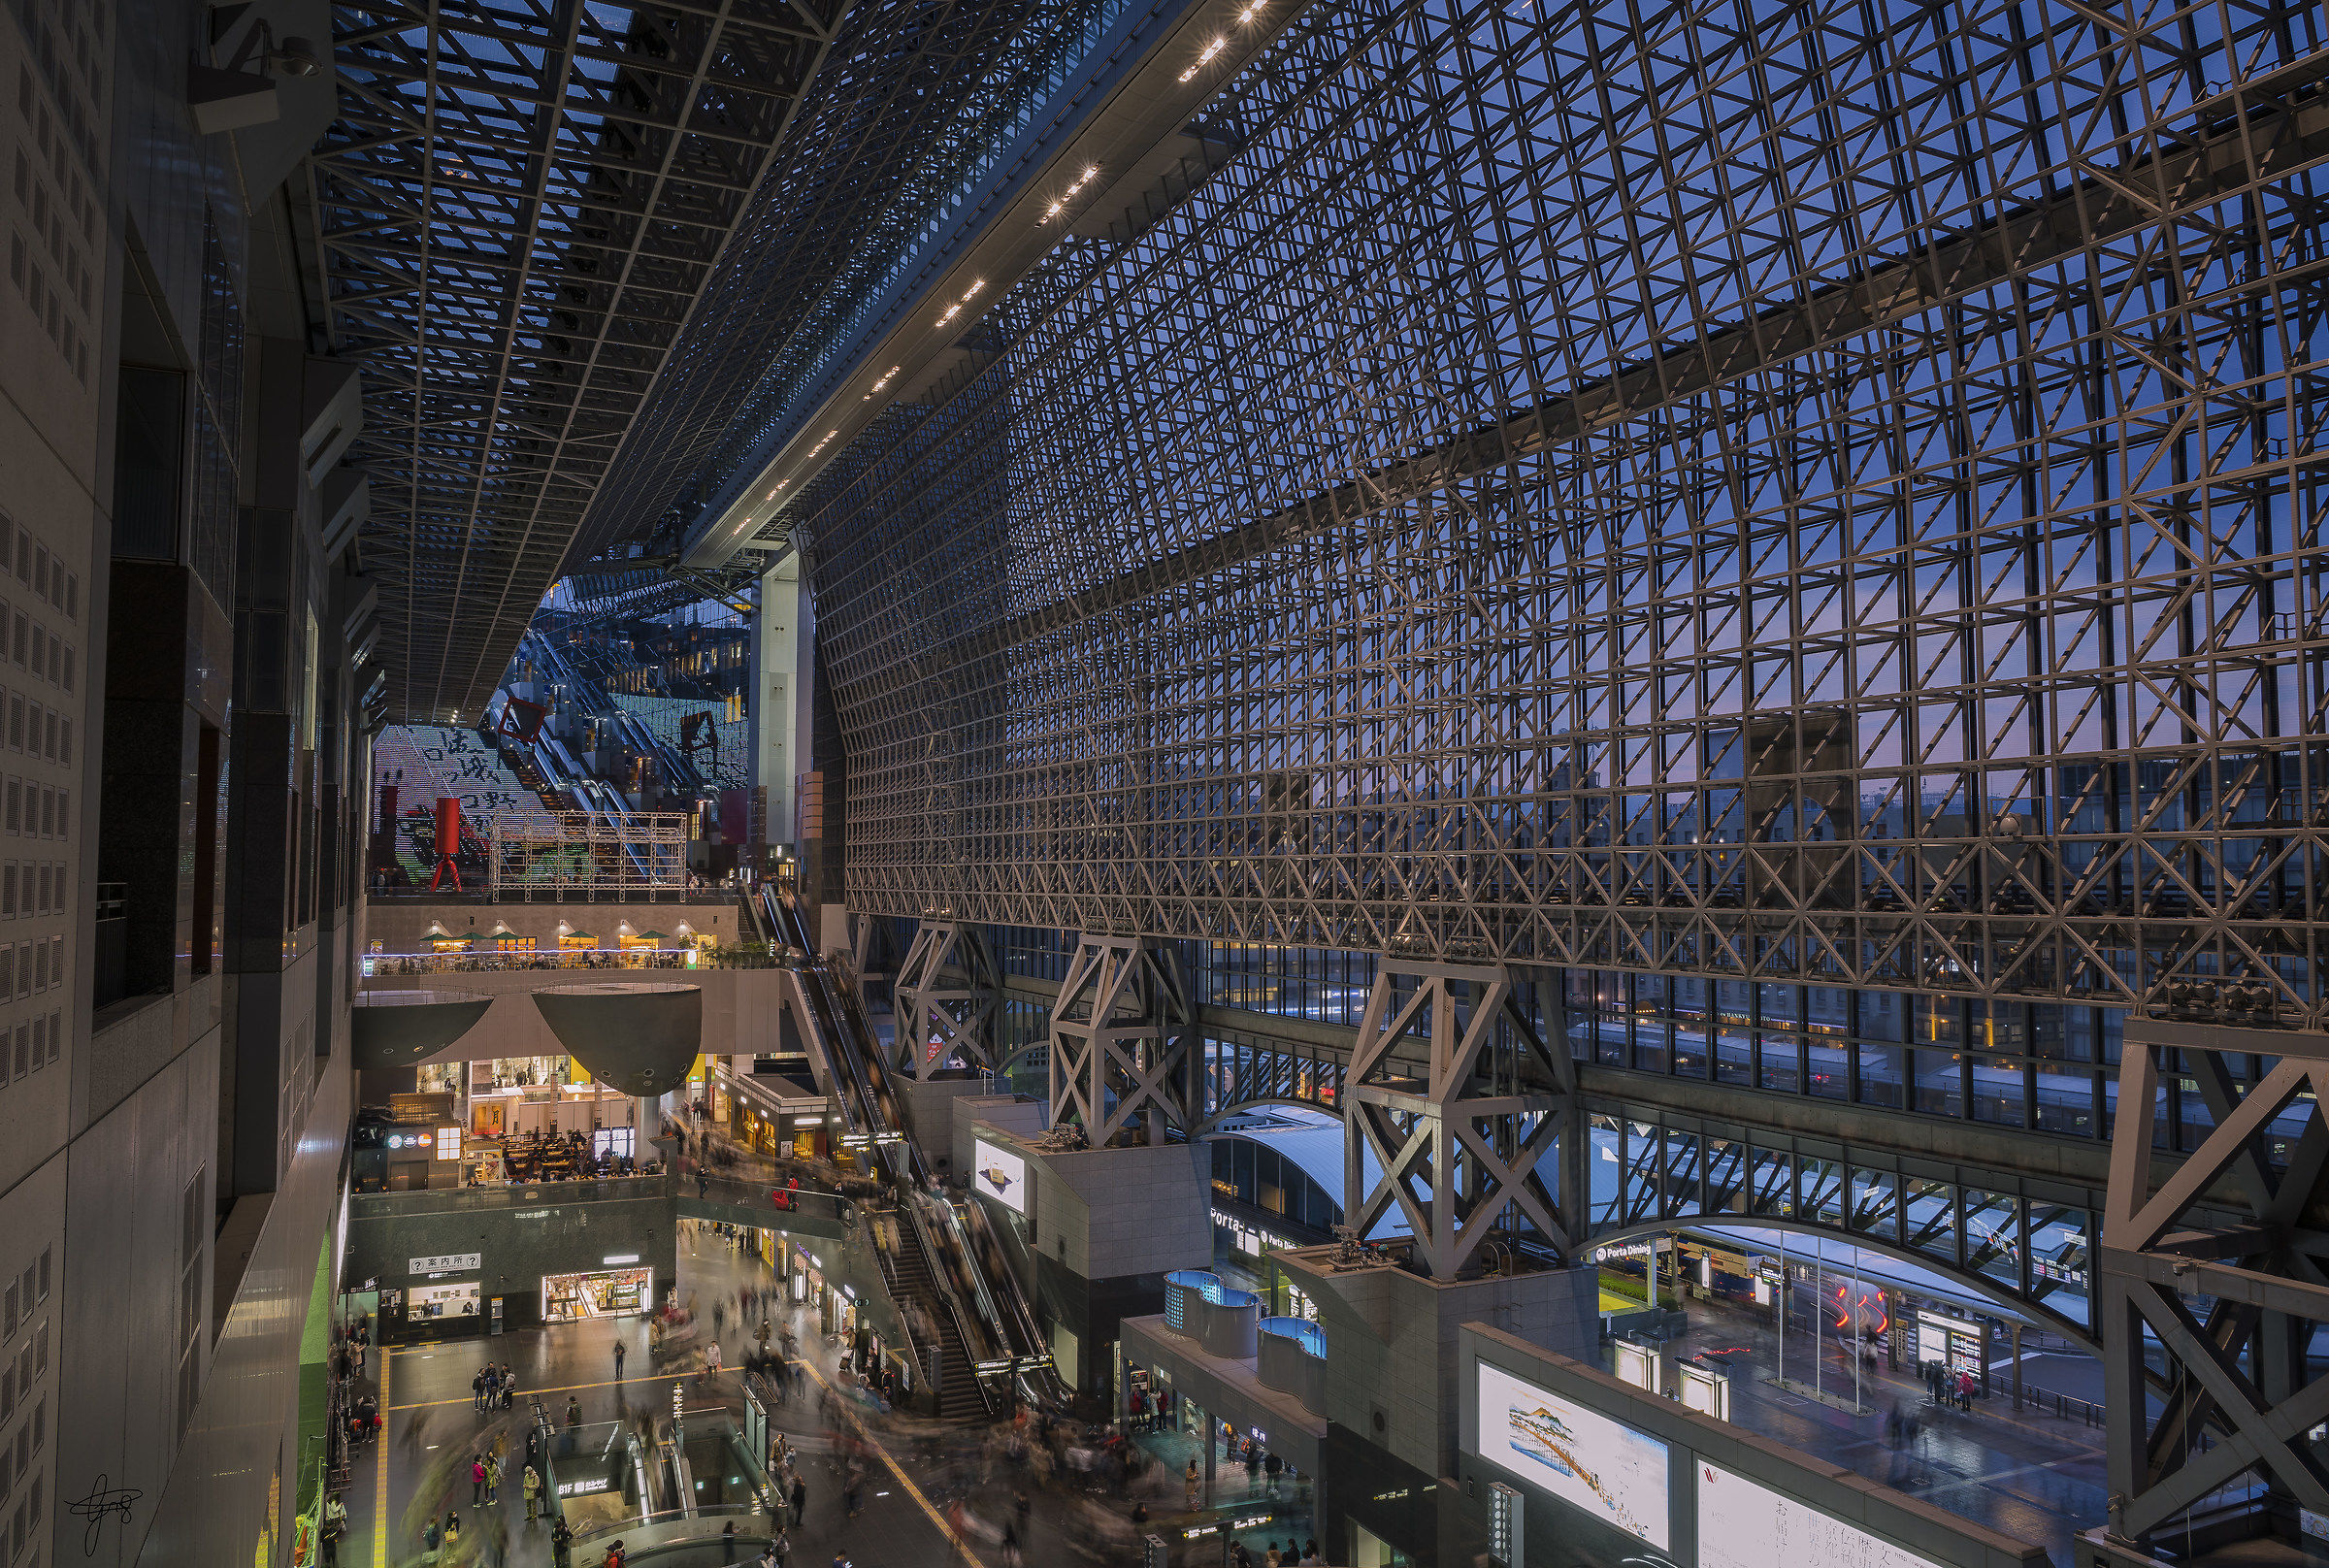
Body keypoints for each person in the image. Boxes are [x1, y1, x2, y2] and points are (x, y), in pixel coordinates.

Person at [319, 1494, 347, 1568]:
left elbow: (321, 1540)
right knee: (332, 1561)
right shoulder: (331, 1530)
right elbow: (324, 1539)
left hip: (329, 1549)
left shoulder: (325, 1531)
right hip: (330, 1548)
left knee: (330, 1561)